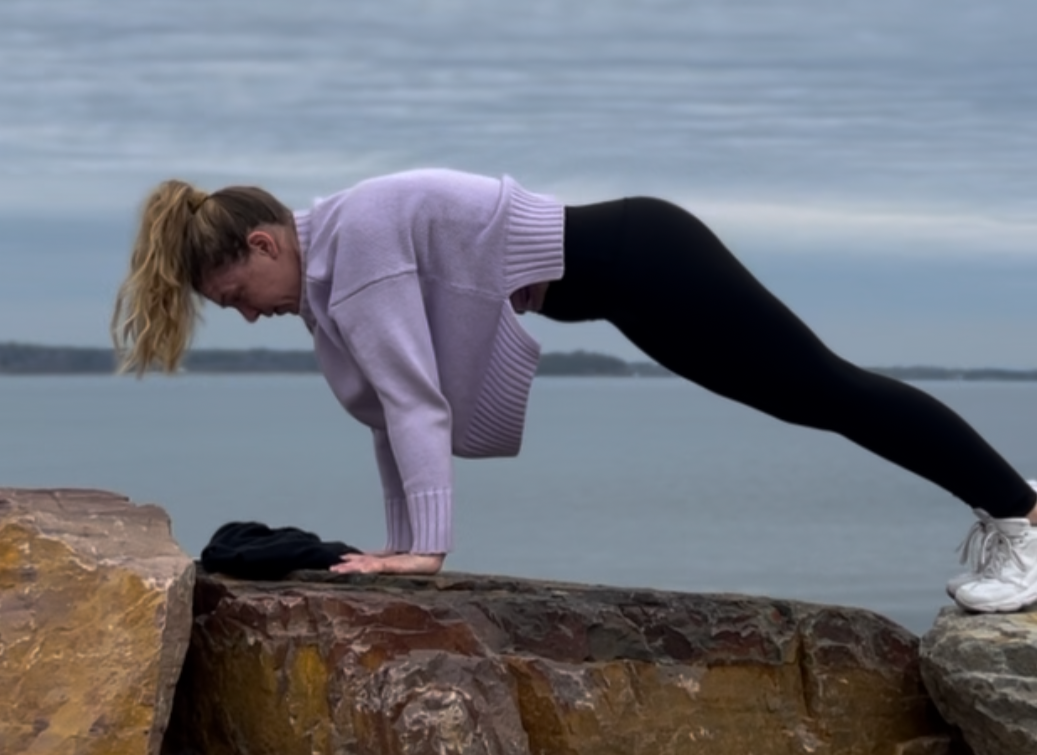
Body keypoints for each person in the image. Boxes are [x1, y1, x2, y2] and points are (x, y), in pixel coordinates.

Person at [111, 168, 1037, 612]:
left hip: (643, 257)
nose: (244, 315)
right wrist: (397, 546)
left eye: (235, 295)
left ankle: (1024, 520)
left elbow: (414, 402)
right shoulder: (332, 258)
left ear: (264, 246)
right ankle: (1017, 515)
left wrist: (424, 552)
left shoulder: (351, 254)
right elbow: (391, 410)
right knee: (816, 397)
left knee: (826, 390)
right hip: (630, 277)